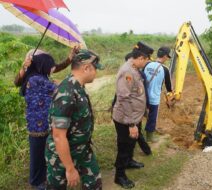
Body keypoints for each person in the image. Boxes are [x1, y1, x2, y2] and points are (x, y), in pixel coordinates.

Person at [14, 48, 78, 190]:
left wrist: (69, 58)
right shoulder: (37, 79)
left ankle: (41, 180)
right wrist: (73, 78)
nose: (52, 69)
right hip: (38, 126)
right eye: (49, 66)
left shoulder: (37, 75)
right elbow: (60, 89)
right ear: (42, 66)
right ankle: (36, 182)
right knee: (37, 155)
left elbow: (55, 69)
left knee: (43, 154)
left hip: (40, 124)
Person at [45, 49, 103, 190]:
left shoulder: (78, 87)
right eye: (96, 69)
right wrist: (70, 169)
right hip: (61, 157)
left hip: (83, 150)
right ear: (86, 68)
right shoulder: (67, 93)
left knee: (94, 184)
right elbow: (58, 136)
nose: (97, 72)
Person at [112, 41, 154, 188]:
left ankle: (129, 161)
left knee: (131, 144)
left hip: (134, 116)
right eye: (147, 59)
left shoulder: (134, 68)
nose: (147, 62)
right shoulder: (127, 72)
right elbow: (123, 98)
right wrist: (131, 124)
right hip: (126, 119)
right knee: (124, 146)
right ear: (141, 58)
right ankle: (120, 175)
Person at [143, 46, 173, 142]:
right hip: (154, 99)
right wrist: (170, 93)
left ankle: (134, 133)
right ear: (164, 56)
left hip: (143, 97)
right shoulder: (165, 69)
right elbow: (169, 87)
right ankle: (150, 137)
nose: (167, 59)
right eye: (167, 57)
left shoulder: (147, 64)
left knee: (138, 115)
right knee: (152, 117)